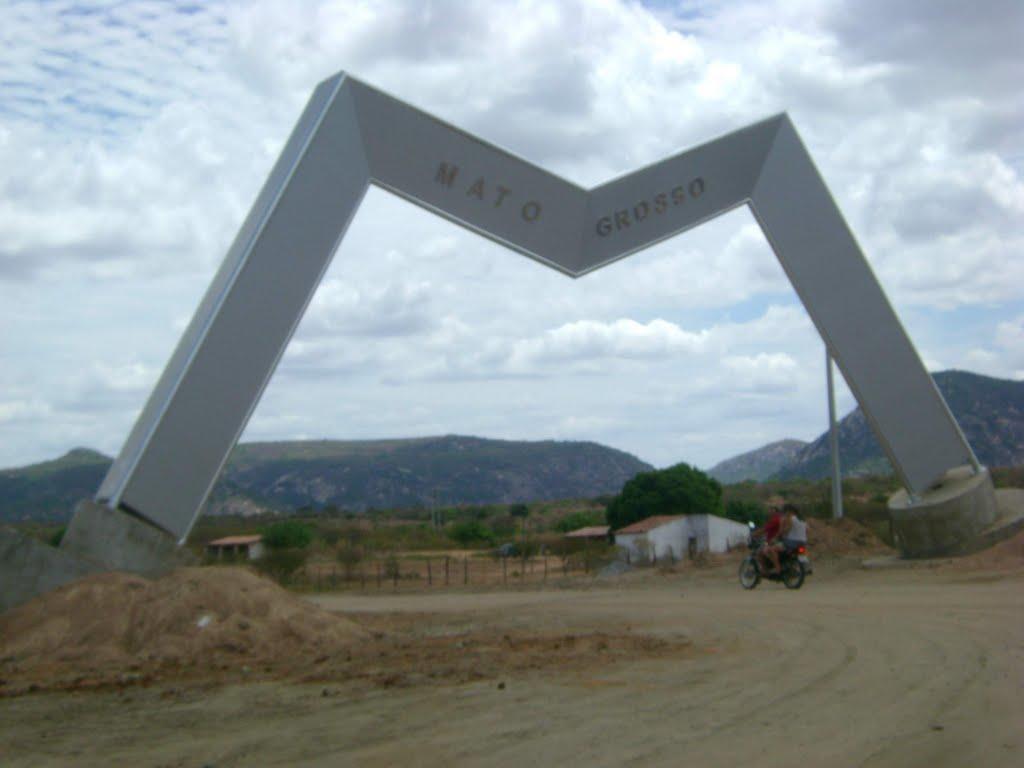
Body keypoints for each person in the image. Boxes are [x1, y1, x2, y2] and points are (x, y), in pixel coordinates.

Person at [768, 503, 807, 573]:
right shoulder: (803, 520)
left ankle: (777, 568)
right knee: (800, 554)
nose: (784, 513)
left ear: (789, 511)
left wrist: (776, 537)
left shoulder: (790, 518)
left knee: (771, 549)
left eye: (784, 511)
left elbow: (786, 529)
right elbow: (807, 530)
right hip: (803, 542)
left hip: (791, 542)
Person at [755, 503, 784, 575]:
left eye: (772, 510)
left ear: (776, 511)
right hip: (777, 541)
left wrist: (755, 534)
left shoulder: (775, 519)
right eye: (770, 510)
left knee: (759, 553)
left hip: (774, 541)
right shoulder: (779, 519)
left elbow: (765, 529)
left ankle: (766, 569)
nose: (770, 511)